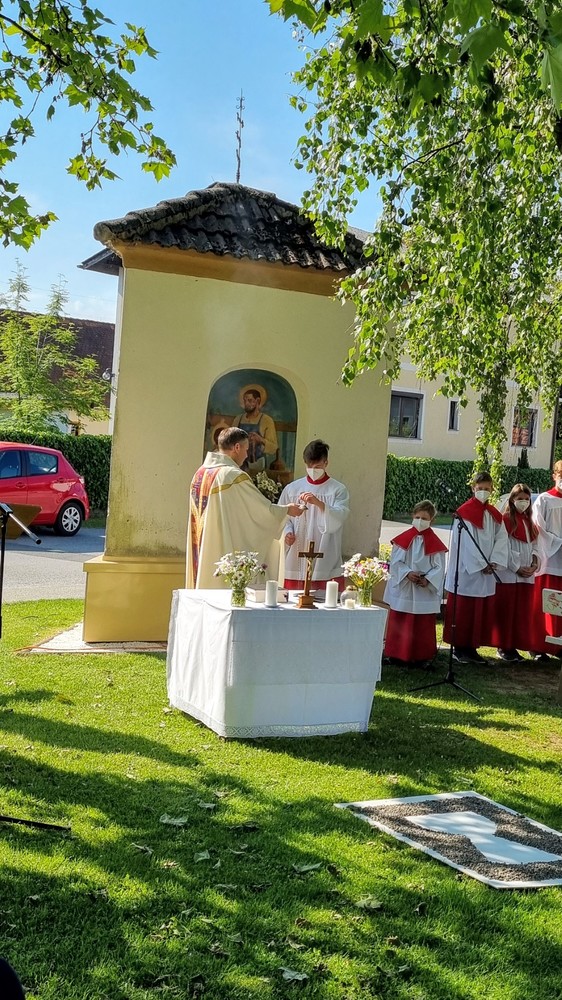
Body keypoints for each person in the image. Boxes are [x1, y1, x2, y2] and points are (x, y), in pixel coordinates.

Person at [187, 427, 303, 588]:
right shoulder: (232, 476)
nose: (247, 455)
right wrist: (286, 510)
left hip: (203, 549)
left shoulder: (200, 474)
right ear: (237, 447)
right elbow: (260, 512)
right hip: (218, 548)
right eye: (246, 449)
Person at [443, 471, 508, 664]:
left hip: (487, 570)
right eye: (480, 488)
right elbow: (466, 544)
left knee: (478, 611)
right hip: (467, 572)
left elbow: (501, 539)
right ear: (473, 488)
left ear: (492, 489)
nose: (483, 491)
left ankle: (472, 648)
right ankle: (459, 648)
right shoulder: (464, 513)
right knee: (464, 610)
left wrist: (494, 562)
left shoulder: (494, 514)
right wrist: (481, 564)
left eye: (487, 488)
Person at [278, 439, 350, 592]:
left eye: (317, 467)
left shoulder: (337, 489)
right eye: (309, 466)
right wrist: (287, 533)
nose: (313, 470)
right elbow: (282, 516)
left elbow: (340, 515)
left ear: (326, 463)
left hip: (325, 552)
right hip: (296, 552)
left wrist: (319, 503)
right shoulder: (292, 489)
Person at [383, 500, 448, 667]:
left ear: (432, 520)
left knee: (422, 623)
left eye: (424, 518)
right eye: (417, 517)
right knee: (401, 620)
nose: (420, 521)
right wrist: (407, 573)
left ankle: (421, 656)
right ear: (413, 516)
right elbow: (396, 562)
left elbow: (439, 567)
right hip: (405, 586)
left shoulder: (435, 543)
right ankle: (396, 654)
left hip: (423, 589)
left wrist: (428, 579)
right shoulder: (403, 539)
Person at [488, 483, 539, 661]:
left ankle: (515, 644)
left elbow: (535, 545)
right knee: (507, 611)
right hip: (510, 574)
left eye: (526, 499)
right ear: (512, 500)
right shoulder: (505, 520)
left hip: (527, 575)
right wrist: (516, 567)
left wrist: (534, 563)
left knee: (520, 612)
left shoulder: (529, 522)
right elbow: (504, 547)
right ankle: (504, 646)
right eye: (520, 499)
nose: (523, 502)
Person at [531, 459, 562, 661]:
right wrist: (558, 542)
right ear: (554, 476)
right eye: (561, 475)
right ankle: (538, 646)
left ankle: (558, 645)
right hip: (549, 560)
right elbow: (537, 528)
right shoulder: (544, 500)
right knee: (546, 604)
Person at [232, 388, 278, 472]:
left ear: (257, 401)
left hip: (258, 464)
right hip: (239, 464)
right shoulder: (238, 419)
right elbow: (230, 441)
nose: (246, 403)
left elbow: (273, 448)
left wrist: (260, 440)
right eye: (245, 401)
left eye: (250, 400)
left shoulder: (266, 420)